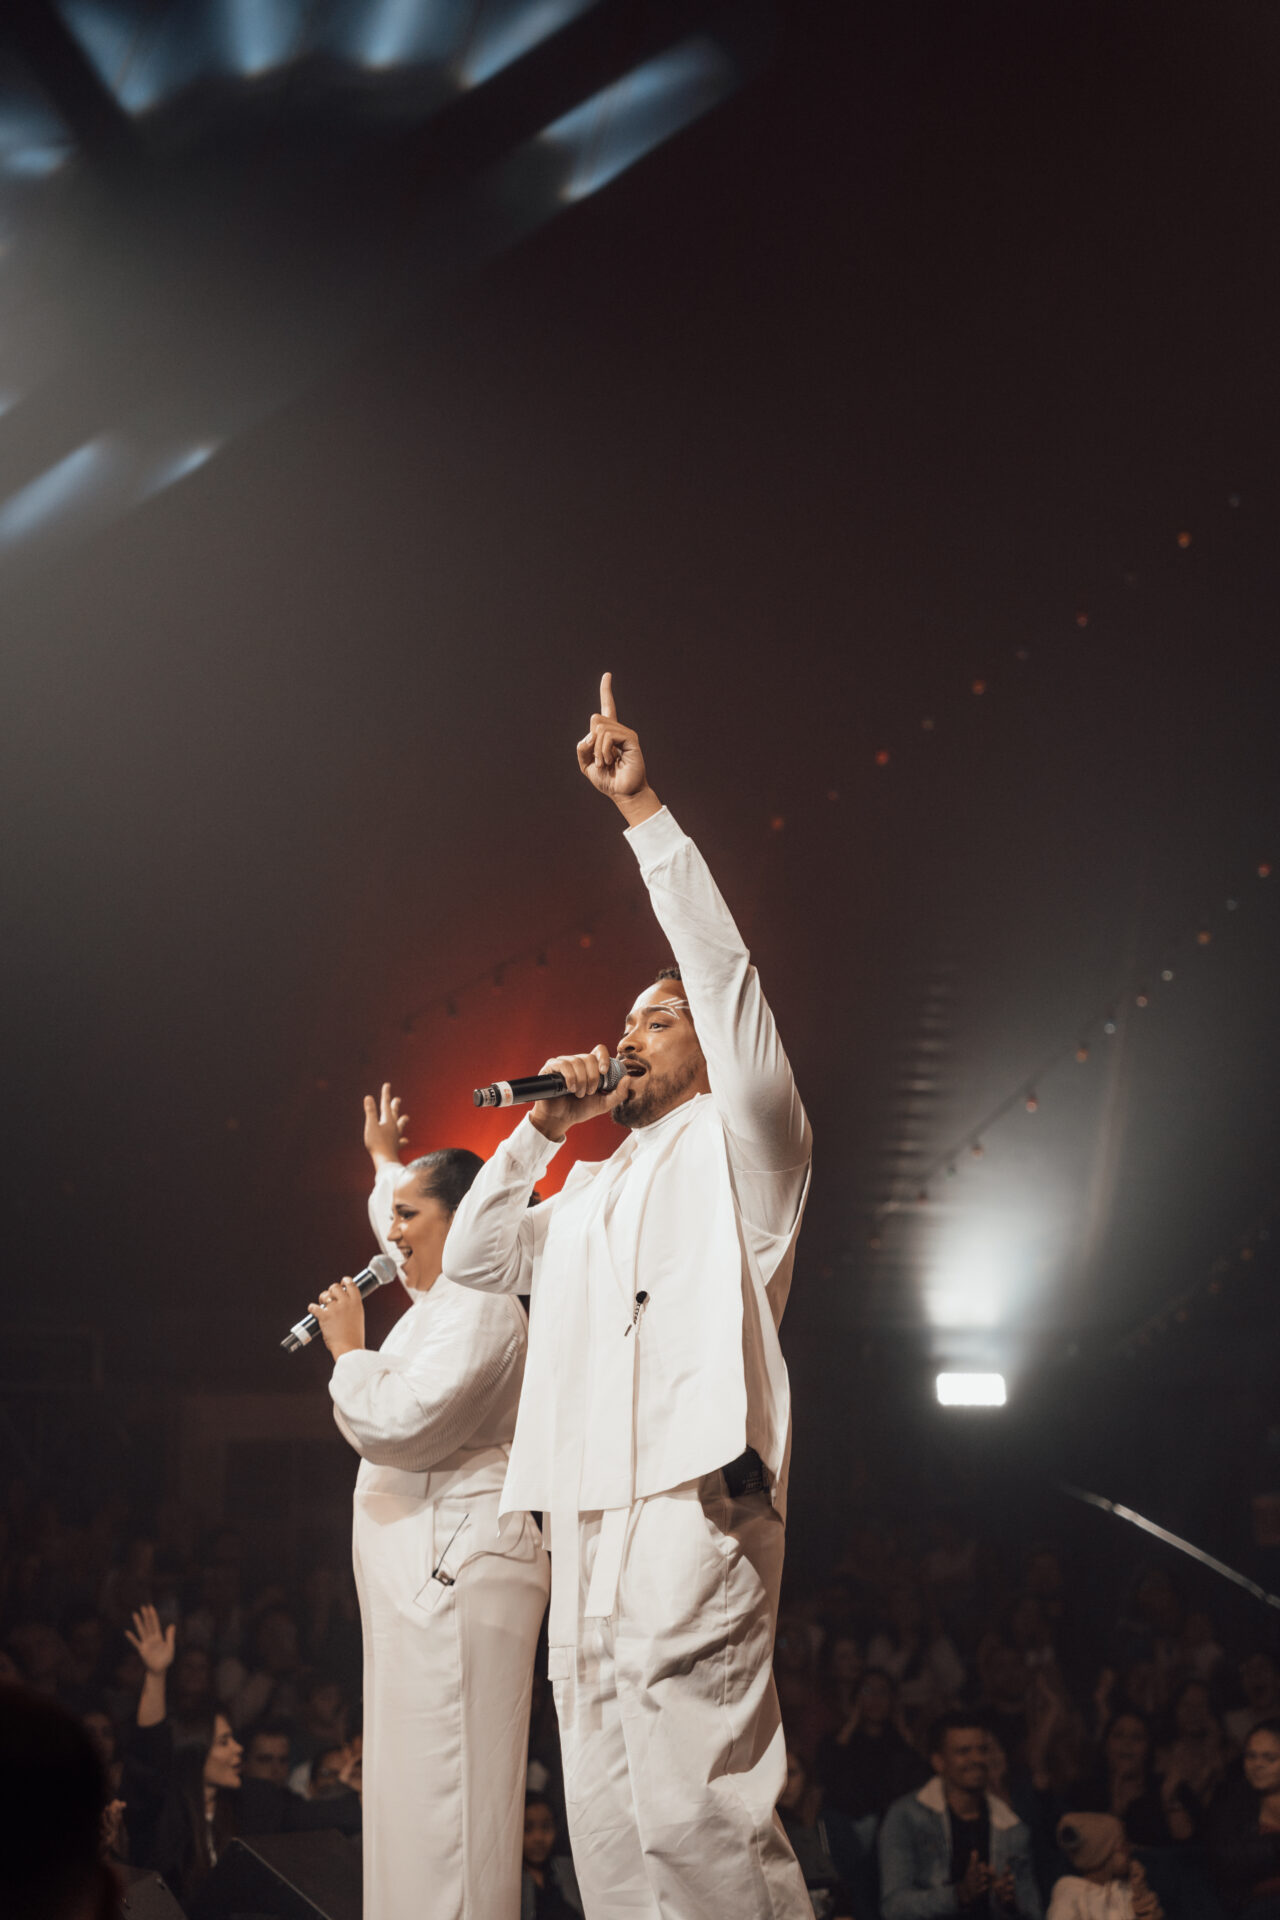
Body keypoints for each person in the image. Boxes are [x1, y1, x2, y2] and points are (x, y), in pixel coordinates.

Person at [444, 673, 814, 1918]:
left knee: (693, 1800)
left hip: (695, 1488)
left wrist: (641, 811)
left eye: (659, 1022)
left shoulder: (749, 1145)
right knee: (604, 1799)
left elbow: (723, 974)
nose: (631, 1039)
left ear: (707, 1045)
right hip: (586, 1503)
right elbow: (477, 1261)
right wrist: (539, 1131)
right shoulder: (591, 1188)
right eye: (625, 1024)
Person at [307, 1092, 550, 1920]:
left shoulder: (483, 1311)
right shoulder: (445, 1299)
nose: (392, 1233)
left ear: (466, 1221)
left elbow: (402, 1425)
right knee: (413, 1800)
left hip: (455, 1580)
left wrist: (349, 1353)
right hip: (428, 1584)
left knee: (448, 1805)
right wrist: (385, 1162)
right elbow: (404, 1222)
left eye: (410, 1217)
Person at [879, 1710, 1042, 1920]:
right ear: (939, 1762)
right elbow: (893, 1907)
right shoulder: (906, 1817)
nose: (976, 1759)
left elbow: (1033, 1911)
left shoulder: (1011, 1827)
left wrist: (1010, 1904)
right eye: (964, 1751)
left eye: (982, 1750)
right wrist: (958, 1895)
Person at [1207, 1719, 1280, 1919]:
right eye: (1251, 1756)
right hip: (1259, 1907)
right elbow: (1227, 1862)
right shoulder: (1231, 1803)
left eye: (1269, 1758)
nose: (1258, 1765)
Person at [1048, 1813, 1164, 1920]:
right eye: (1123, 1845)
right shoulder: (1070, 1897)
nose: (1129, 1850)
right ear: (1104, 1855)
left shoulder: (1123, 1890)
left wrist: (1140, 1892)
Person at [521, 1792, 584, 1918]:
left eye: (546, 1827)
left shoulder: (568, 1869)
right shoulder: (510, 1879)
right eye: (527, 1829)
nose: (538, 1838)